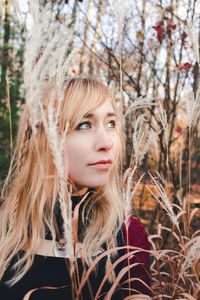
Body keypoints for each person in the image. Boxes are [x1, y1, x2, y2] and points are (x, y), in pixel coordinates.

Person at [0, 77, 151, 299]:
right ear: (45, 140)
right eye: (84, 124)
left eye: (111, 123)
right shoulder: (5, 224)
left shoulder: (129, 236)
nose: (106, 142)